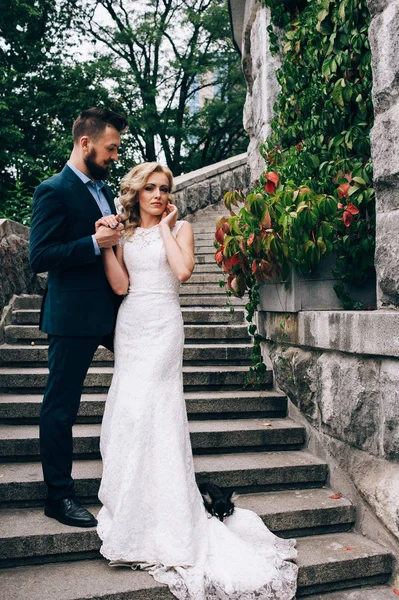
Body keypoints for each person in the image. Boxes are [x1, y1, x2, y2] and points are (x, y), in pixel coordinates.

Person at [95, 161, 298, 599]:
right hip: (130, 326)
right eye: (150, 188)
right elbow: (118, 287)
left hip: (164, 325)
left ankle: (169, 516)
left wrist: (166, 227)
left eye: (164, 188)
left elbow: (183, 272)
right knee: (128, 413)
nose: (157, 195)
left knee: (157, 410)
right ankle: (132, 505)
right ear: (136, 191)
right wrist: (109, 247)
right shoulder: (125, 233)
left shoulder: (182, 227)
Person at [29, 107, 128, 528]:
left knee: (147, 384)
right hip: (71, 317)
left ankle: (144, 481)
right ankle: (59, 496)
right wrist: (93, 241)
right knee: (61, 408)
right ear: (85, 143)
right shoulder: (52, 190)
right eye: (110, 148)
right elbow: (40, 256)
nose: (114, 156)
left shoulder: (104, 190)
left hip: (115, 312)